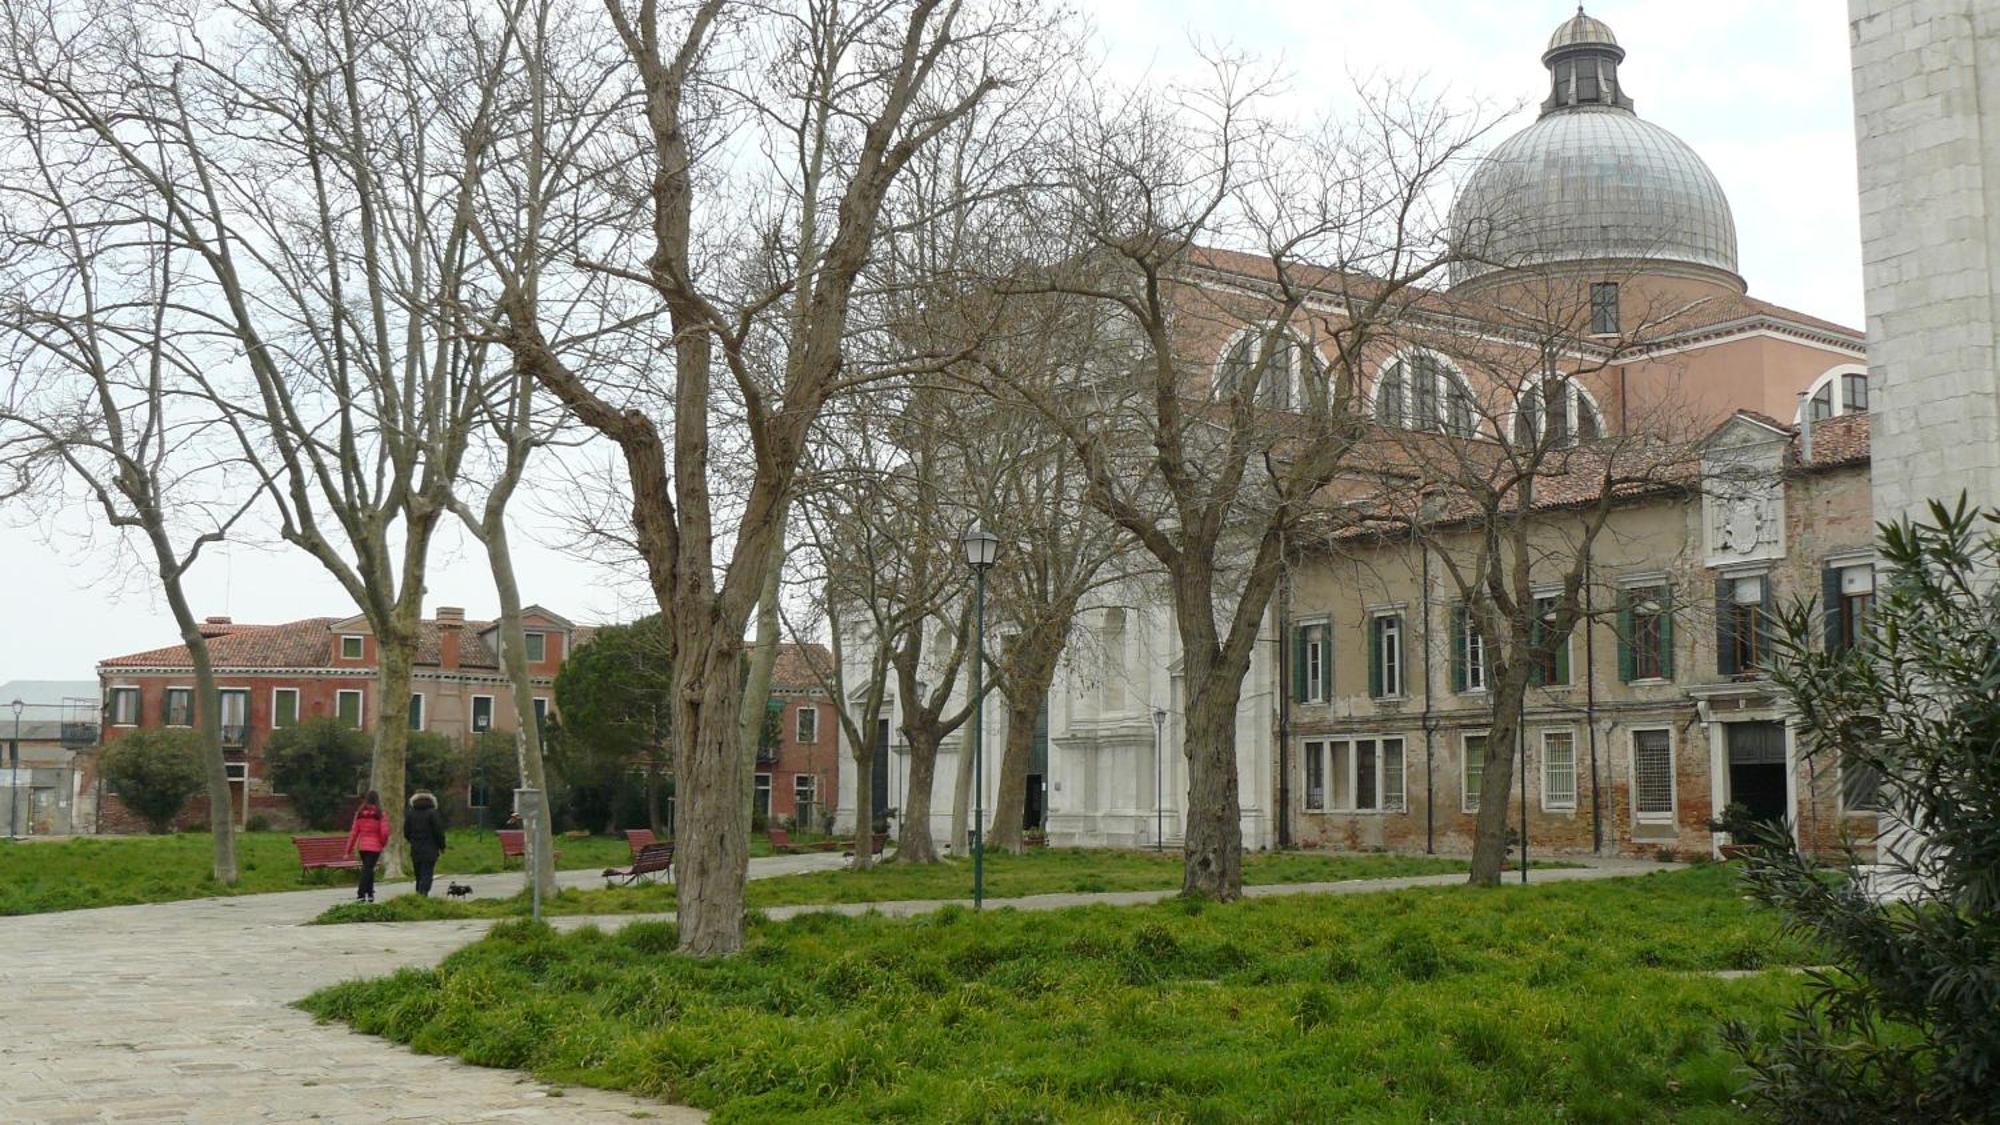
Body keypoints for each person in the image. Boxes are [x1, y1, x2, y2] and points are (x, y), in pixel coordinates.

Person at [344, 790, 391, 903]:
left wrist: (348, 851)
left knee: (368, 869)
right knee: (368, 870)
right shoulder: (380, 814)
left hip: (363, 847)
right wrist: (383, 843)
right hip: (375, 847)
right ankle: (361, 893)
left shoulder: (359, 814)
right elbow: (384, 832)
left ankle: (370, 894)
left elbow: (354, 833)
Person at [404, 790, 448, 896]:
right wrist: (442, 846)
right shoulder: (432, 813)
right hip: (430, 848)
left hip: (415, 848)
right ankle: (423, 893)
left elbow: (406, 831)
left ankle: (419, 893)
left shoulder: (410, 814)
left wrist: (412, 840)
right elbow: (438, 831)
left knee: (418, 873)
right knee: (427, 872)